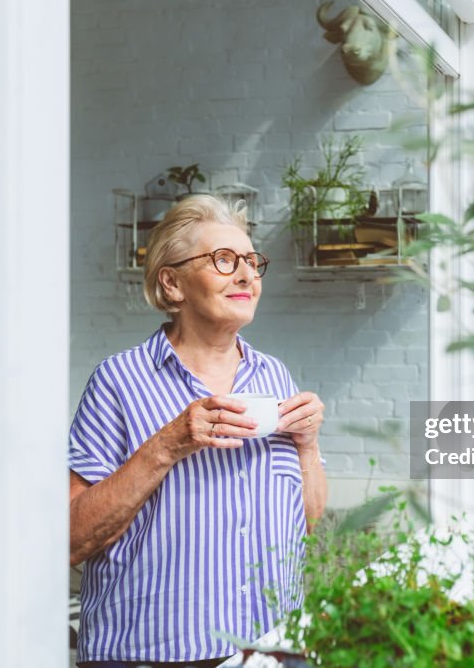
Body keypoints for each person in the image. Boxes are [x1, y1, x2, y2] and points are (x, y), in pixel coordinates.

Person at [68, 195, 328, 668]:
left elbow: (304, 523)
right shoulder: (119, 381)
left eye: (251, 261)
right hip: (146, 657)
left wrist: (307, 447)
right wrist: (167, 444)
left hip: (271, 653)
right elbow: (69, 540)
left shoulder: (275, 378)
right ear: (172, 282)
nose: (247, 275)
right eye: (224, 260)